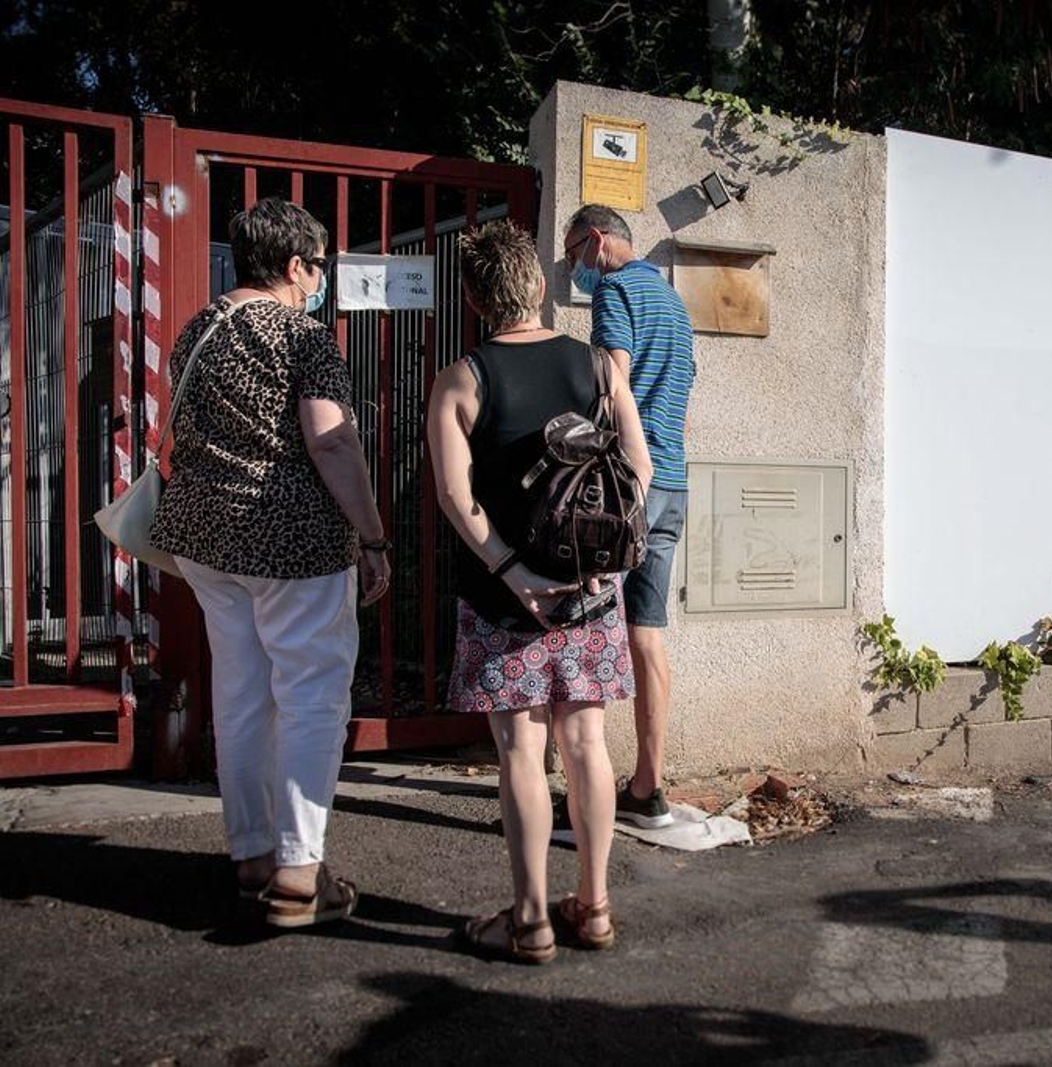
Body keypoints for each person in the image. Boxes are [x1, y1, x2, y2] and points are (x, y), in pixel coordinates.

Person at [150, 197, 389, 928]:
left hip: (207, 539)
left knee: (243, 691)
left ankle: (252, 852)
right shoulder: (303, 336)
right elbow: (331, 441)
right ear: (294, 266)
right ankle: (297, 871)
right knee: (313, 693)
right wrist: (373, 537)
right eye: (317, 266)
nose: (319, 279)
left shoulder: (197, 330)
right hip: (292, 540)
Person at [429, 219, 653, 962]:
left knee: (520, 751)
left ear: (473, 296)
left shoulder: (462, 379)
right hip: (590, 590)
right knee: (588, 742)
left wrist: (512, 570)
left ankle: (529, 921)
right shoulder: (597, 367)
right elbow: (639, 473)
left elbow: (457, 499)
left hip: (506, 600)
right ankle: (594, 906)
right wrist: (598, 564)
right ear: (537, 284)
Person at [562, 204, 695, 830]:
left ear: (595, 240)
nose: (574, 270)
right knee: (647, 631)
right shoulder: (673, 303)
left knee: (586, 625)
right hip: (671, 480)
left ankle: (577, 793)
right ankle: (648, 786)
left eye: (572, 255)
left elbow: (612, 383)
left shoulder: (615, 289)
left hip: (622, 486)